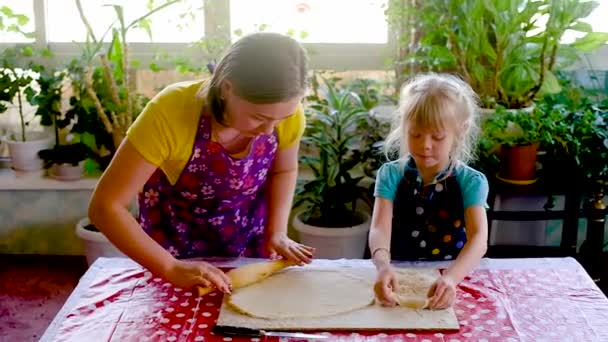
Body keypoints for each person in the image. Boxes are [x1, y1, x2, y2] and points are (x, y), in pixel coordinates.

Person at [88, 32, 315, 294]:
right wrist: (170, 268)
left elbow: (284, 169)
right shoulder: (169, 112)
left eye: (281, 118)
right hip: (175, 248)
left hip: (249, 239)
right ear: (227, 88)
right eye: (258, 117)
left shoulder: (284, 112)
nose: (268, 130)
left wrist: (276, 232)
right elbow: (105, 207)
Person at [369, 73, 489, 310]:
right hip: (397, 272)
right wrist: (383, 265)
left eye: (437, 136)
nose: (425, 144)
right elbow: (379, 228)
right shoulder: (390, 174)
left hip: (451, 274)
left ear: (460, 131)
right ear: (404, 126)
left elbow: (478, 239)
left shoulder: (471, 181)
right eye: (415, 134)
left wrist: (452, 278)